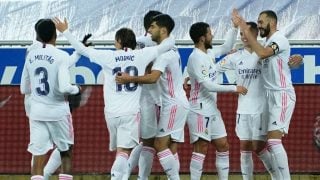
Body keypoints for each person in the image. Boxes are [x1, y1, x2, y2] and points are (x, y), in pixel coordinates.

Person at [53, 17, 174, 180]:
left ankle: (118, 177)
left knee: (121, 152)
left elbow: (80, 49)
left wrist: (65, 31)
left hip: (111, 114)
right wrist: (168, 31)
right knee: (123, 153)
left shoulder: (107, 56)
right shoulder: (142, 55)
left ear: (118, 41)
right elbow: (167, 44)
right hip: (130, 113)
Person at [115, 14, 189, 180]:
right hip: (170, 102)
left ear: (162, 30)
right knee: (163, 144)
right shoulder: (168, 46)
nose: (150, 30)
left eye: (153, 27)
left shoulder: (164, 54)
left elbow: (152, 77)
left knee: (159, 144)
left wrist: (130, 78)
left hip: (172, 103)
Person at [233, 9, 296, 180]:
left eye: (261, 22)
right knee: (261, 144)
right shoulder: (268, 42)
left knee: (274, 142)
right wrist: (236, 52)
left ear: (272, 23)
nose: (259, 25)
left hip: (281, 95)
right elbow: (258, 55)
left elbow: (262, 53)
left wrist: (245, 29)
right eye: (258, 22)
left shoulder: (279, 39)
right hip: (268, 97)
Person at [186, 18, 247, 180]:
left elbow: (227, 47)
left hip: (212, 109)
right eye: (210, 33)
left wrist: (234, 28)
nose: (212, 36)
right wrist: (235, 88)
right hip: (199, 110)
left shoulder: (209, 53)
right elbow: (208, 86)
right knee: (201, 148)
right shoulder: (195, 58)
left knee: (223, 146)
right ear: (202, 38)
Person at [20, 19, 81, 180]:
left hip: (37, 113)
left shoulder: (30, 54)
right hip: (58, 111)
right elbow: (65, 88)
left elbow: (24, 89)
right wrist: (77, 88)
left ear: (37, 35)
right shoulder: (61, 55)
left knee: (38, 156)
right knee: (66, 152)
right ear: (56, 35)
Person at [123, 10, 163, 180]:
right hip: (150, 96)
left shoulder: (135, 41)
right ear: (152, 25)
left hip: (133, 97)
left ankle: (123, 174)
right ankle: (135, 176)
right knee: (149, 141)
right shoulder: (154, 44)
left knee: (143, 141)